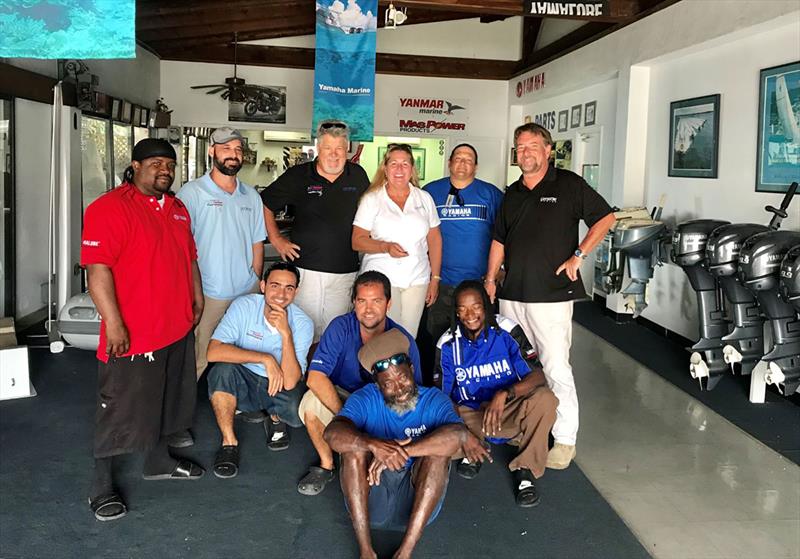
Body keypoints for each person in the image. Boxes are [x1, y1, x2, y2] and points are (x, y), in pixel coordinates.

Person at [81, 138, 205, 522]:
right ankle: (101, 485)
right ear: (134, 166)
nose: (164, 169)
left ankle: (158, 459)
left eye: (169, 163)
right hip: (133, 333)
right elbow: (97, 270)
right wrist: (114, 323)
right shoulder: (109, 208)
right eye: (154, 163)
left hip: (176, 326)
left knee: (169, 400)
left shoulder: (178, 208)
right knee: (119, 406)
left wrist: (196, 295)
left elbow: (189, 257)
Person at [485, 123, 616, 470]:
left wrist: (579, 255)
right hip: (512, 294)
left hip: (552, 296)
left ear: (547, 150)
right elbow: (499, 240)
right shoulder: (511, 194)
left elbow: (605, 218)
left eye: (532, 146)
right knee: (516, 366)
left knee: (556, 366)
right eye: (520, 147)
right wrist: (489, 279)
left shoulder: (568, 184)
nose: (525, 152)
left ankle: (564, 440)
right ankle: (522, 426)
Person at [324, 329, 465, 559]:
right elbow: (332, 433)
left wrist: (402, 450)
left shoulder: (433, 399)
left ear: (411, 368)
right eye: (388, 383)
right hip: (370, 504)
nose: (399, 388)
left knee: (438, 453)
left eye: (402, 377)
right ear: (377, 384)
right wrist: (372, 444)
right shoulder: (366, 397)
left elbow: (458, 435)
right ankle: (366, 551)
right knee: (352, 450)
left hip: (417, 507)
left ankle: (405, 552)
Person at [296, 271, 422, 496]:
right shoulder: (340, 327)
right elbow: (315, 377)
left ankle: (371, 457)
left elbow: (415, 392)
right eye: (362, 301)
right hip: (345, 400)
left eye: (377, 301)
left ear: (389, 303)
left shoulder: (402, 339)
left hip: (383, 407)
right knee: (310, 402)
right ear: (354, 302)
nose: (369, 308)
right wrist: (348, 420)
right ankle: (327, 464)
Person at [434, 280, 558, 507]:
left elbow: (538, 376)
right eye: (462, 309)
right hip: (471, 416)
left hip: (506, 410)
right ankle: (473, 446)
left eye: (476, 307)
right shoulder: (448, 344)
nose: (470, 315)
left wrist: (505, 393)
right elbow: (443, 398)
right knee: (434, 436)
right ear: (456, 313)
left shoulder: (506, 330)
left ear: (487, 305)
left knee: (546, 399)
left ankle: (525, 469)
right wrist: (463, 433)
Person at [261, 120, 370, 341]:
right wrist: (276, 239)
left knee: (335, 335)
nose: (334, 154)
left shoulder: (357, 175)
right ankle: (300, 375)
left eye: (339, 148)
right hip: (305, 270)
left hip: (344, 272)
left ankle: (326, 376)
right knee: (302, 332)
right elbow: (264, 204)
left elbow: (372, 210)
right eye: (328, 148)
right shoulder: (299, 175)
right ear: (318, 149)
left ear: (347, 150)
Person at [205, 262, 313, 479]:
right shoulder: (244, 306)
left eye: (289, 288)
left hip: (278, 383)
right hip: (244, 376)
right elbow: (213, 352)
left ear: (296, 292)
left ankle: (274, 417)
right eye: (275, 285)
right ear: (263, 286)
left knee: (294, 410)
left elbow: (291, 382)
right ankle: (229, 443)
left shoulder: (303, 323)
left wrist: (286, 334)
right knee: (221, 372)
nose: (281, 294)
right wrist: (265, 359)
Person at [177, 126, 267, 384]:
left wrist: (255, 280)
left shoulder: (250, 196)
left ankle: (239, 398)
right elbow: (182, 246)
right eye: (226, 148)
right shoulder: (192, 193)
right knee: (199, 353)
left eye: (238, 149)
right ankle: (182, 411)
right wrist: (190, 290)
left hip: (245, 290)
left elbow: (256, 242)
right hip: (208, 292)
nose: (233, 154)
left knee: (245, 348)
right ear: (211, 151)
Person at [419, 144, 503, 379]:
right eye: (458, 158)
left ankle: (474, 385)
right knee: (437, 338)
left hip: (478, 284)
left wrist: (496, 274)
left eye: (468, 159)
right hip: (440, 282)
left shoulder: (491, 194)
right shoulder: (430, 192)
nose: (463, 163)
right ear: (449, 163)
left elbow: (504, 234)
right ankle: (439, 386)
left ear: (475, 166)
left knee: (478, 338)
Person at [352, 143, 442, 337]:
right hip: (381, 278)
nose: (399, 169)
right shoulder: (372, 199)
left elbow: (434, 239)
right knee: (383, 336)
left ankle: (404, 369)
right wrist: (385, 247)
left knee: (409, 336)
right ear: (385, 168)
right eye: (394, 164)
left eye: (405, 164)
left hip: (417, 278)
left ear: (412, 169)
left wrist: (435, 278)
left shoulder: (424, 198)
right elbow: (357, 240)